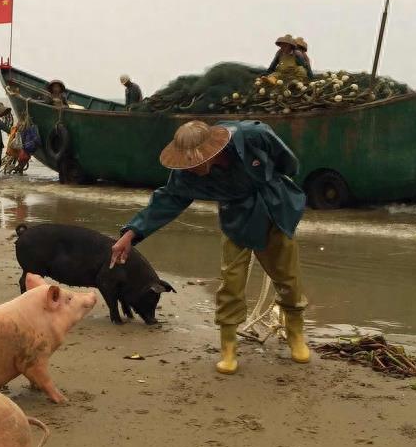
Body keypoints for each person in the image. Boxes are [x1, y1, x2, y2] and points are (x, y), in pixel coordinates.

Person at [110, 119, 310, 373]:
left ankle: (295, 333)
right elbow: (168, 199)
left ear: (212, 151)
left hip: (273, 208)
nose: (190, 168)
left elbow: (288, 163)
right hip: (236, 216)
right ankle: (228, 347)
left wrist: (271, 181)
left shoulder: (253, 136)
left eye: (195, 162)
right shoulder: (185, 171)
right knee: (231, 280)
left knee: (287, 277)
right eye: (186, 164)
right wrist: (130, 233)